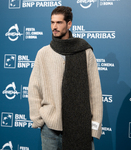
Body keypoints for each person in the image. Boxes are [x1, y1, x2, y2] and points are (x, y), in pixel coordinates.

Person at [28, 6, 103, 150]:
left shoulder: (84, 51)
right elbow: (34, 89)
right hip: (50, 130)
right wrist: (38, 120)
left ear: (69, 24)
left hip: (80, 128)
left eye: (59, 23)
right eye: (52, 22)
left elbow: (95, 92)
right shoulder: (43, 53)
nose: (54, 27)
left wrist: (95, 127)